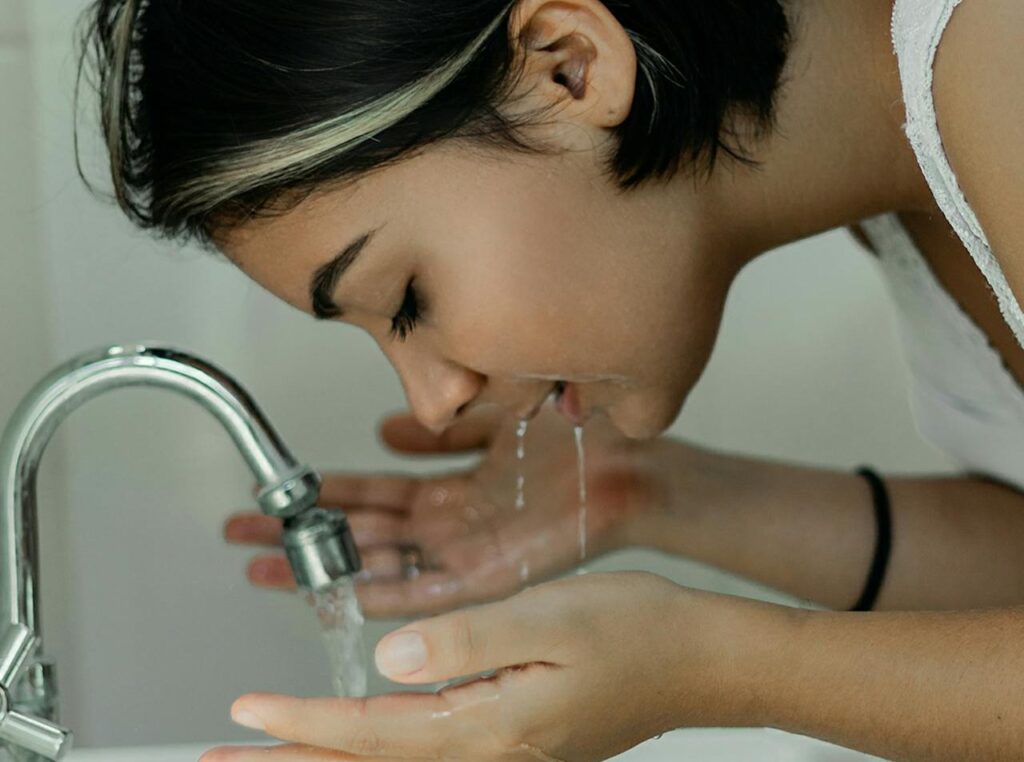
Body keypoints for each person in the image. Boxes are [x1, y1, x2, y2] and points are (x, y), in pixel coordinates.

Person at [76, 0, 1024, 759]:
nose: (434, 402)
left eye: (407, 299)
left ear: (569, 64)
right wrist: (652, 495)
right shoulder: (897, 175)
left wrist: (715, 666)